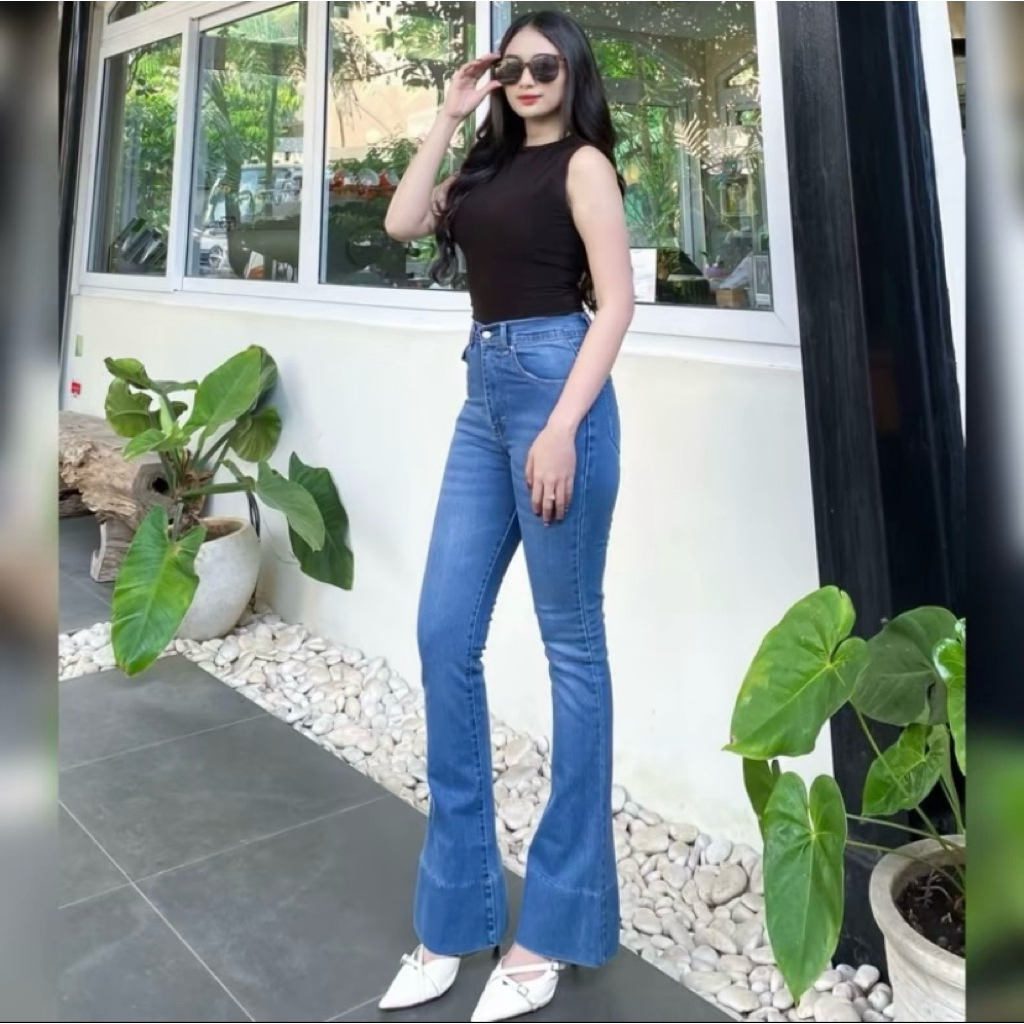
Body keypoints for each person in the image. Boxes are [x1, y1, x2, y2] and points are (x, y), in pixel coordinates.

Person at [380, 10, 634, 1022]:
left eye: (545, 65)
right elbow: (402, 222)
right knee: (444, 633)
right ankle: (455, 913)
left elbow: (616, 303)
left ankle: (555, 923)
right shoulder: (484, 169)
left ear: (572, 75)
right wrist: (449, 114)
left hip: (556, 393)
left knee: (571, 645)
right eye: (513, 65)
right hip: (483, 396)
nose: (527, 78)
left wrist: (563, 426)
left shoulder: (584, 166)